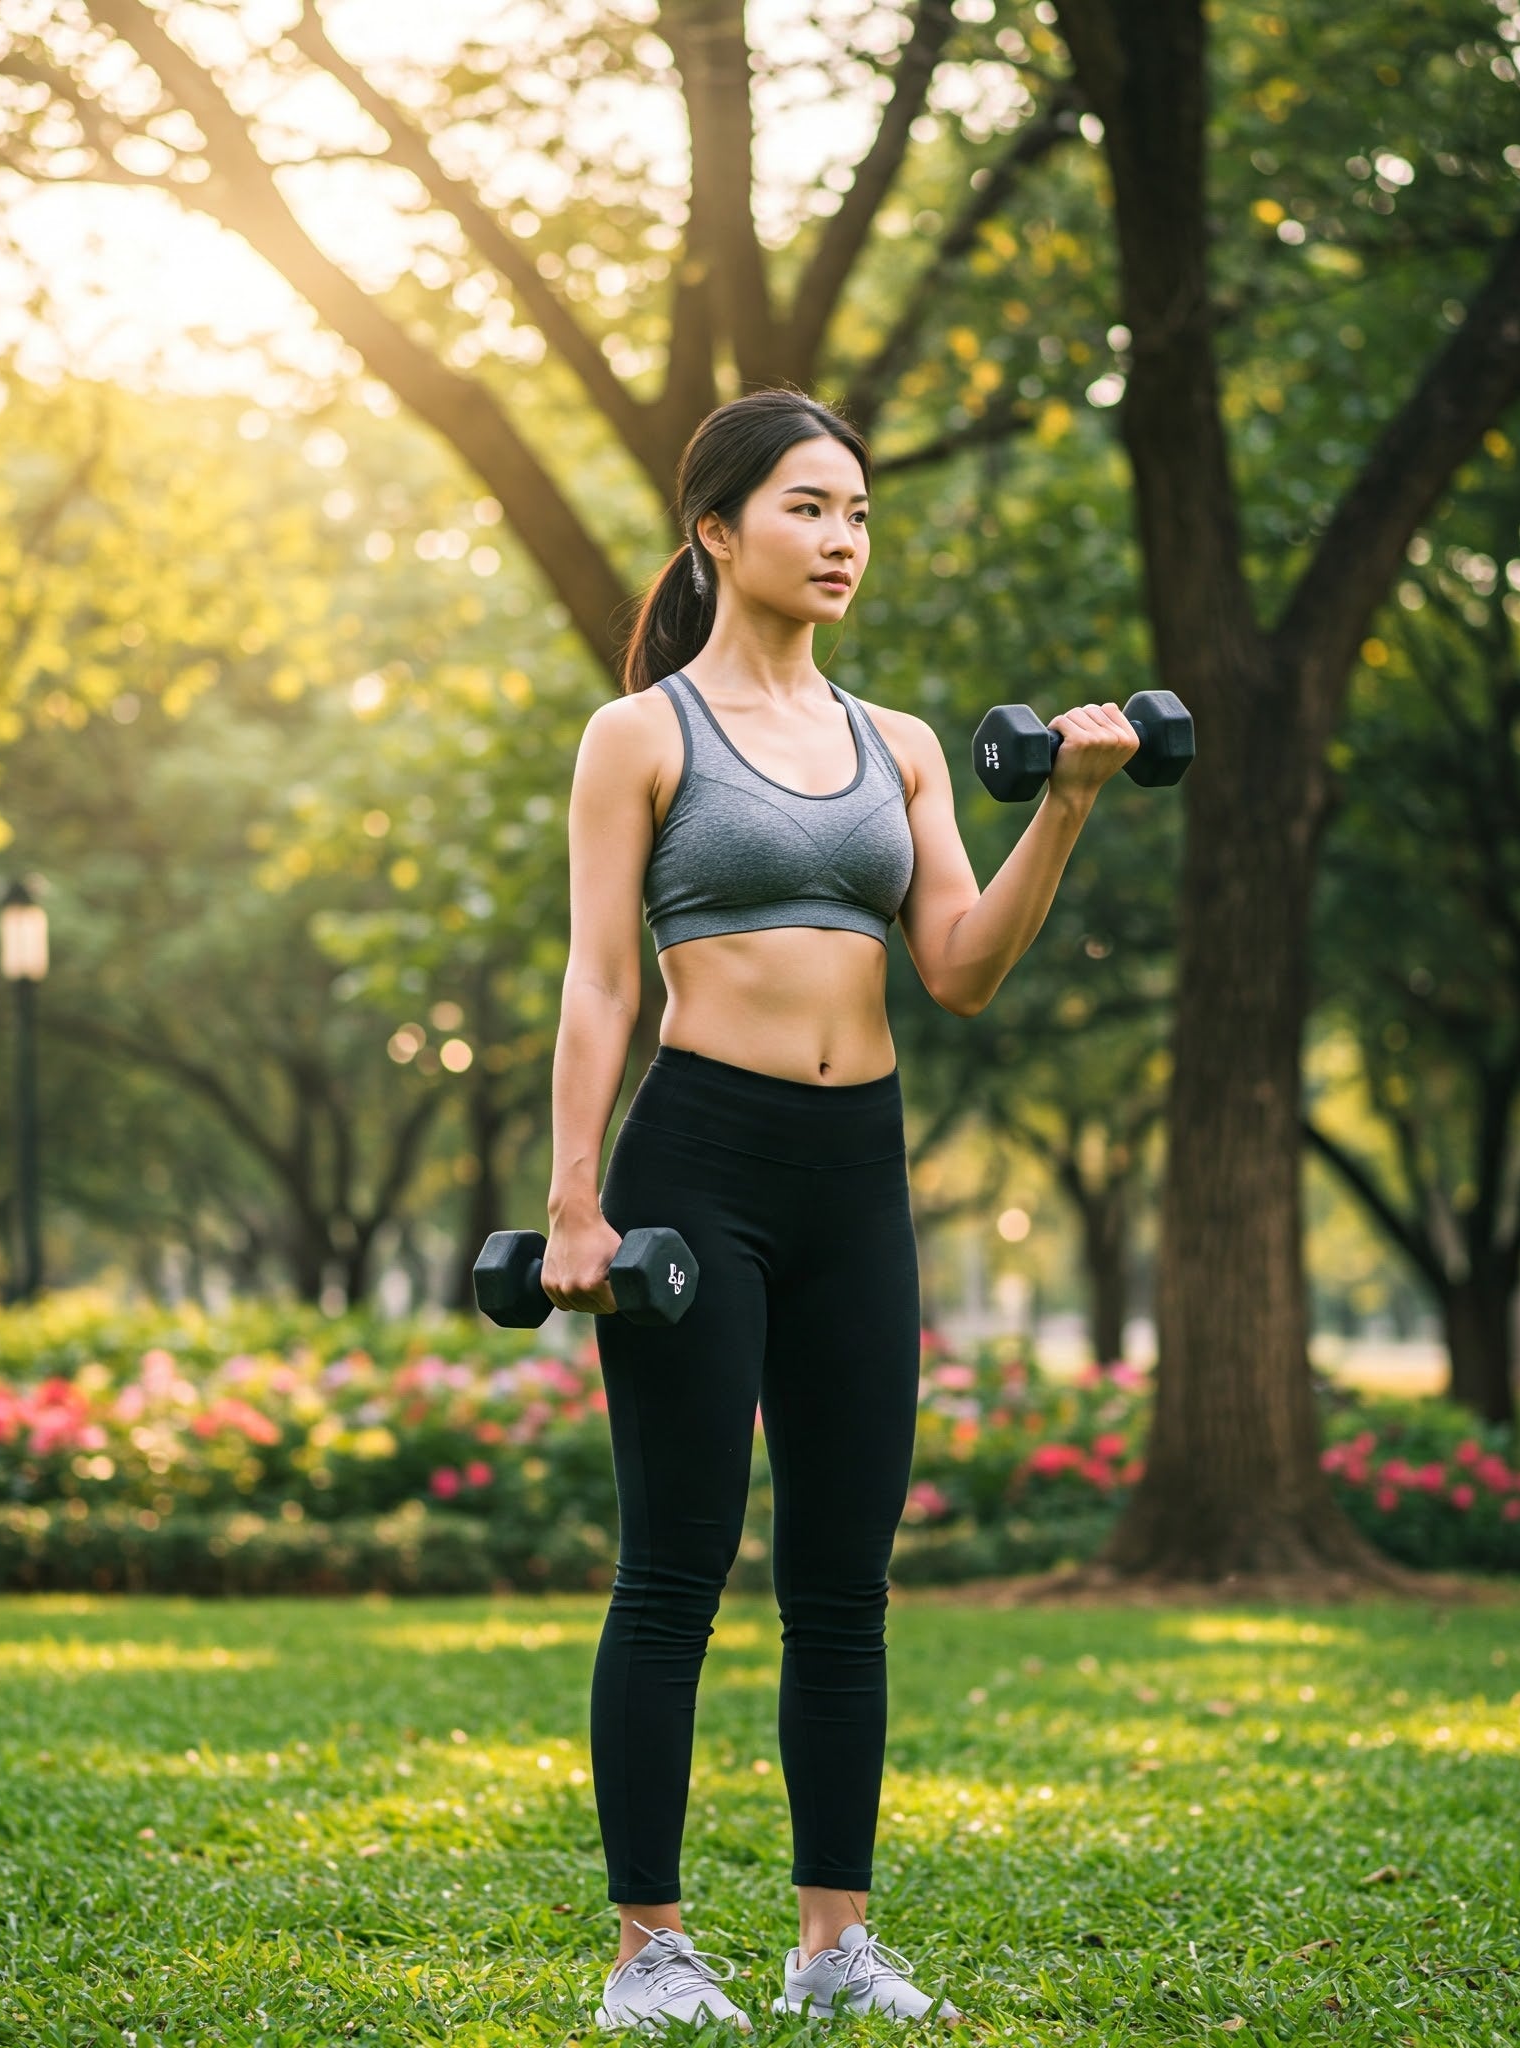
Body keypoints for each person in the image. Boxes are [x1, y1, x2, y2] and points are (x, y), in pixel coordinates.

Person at [541, 387, 1137, 2033]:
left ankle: (831, 1945)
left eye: (860, 513)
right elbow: (598, 979)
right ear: (718, 531)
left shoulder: (907, 748)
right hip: (697, 1169)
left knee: (843, 1580)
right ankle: (650, 1949)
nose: (843, 539)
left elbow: (957, 968)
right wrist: (574, 1195)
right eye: (809, 509)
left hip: (855, 1172)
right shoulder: (642, 733)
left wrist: (1065, 807)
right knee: (674, 1567)